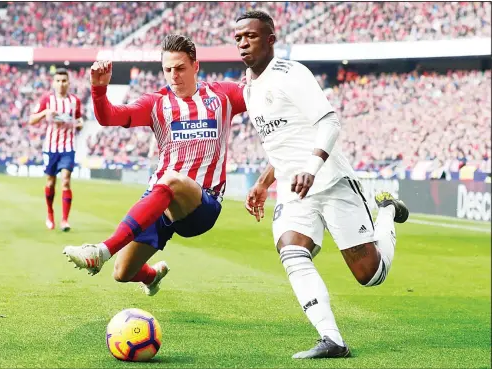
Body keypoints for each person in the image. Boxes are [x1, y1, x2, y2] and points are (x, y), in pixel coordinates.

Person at [234, 11, 410, 359]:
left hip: (329, 180)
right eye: (238, 37)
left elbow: (330, 122)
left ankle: (386, 211)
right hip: (294, 189)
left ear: (270, 40)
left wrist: (312, 167)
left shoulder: (291, 74)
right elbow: (283, 143)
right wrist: (263, 182)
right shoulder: (249, 89)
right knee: (292, 250)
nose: (242, 43)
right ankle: (332, 340)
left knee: (369, 275)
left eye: (250, 36)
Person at [62, 34, 246, 296]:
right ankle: (152, 276)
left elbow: (261, 97)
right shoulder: (156, 103)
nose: (174, 76)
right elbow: (108, 117)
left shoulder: (222, 96)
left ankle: (101, 251)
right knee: (122, 273)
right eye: (168, 70)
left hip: (202, 205)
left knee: (170, 180)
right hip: (161, 201)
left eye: (181, 68)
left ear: (196, 66)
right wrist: (99, 89)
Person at [29, 68, 84, 232]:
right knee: (51, 182)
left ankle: (65, 220)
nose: (61, 84)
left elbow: (80, 120)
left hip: (68, 147)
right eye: (58, 81)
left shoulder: (75, 101)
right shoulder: (47, 100)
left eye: (64, 81)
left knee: (66, 180)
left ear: (69, 83)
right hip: (51, 147)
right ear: (54, 83)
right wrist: (46, 112)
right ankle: (50, 213)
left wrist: (79, 124)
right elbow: (32, 120)